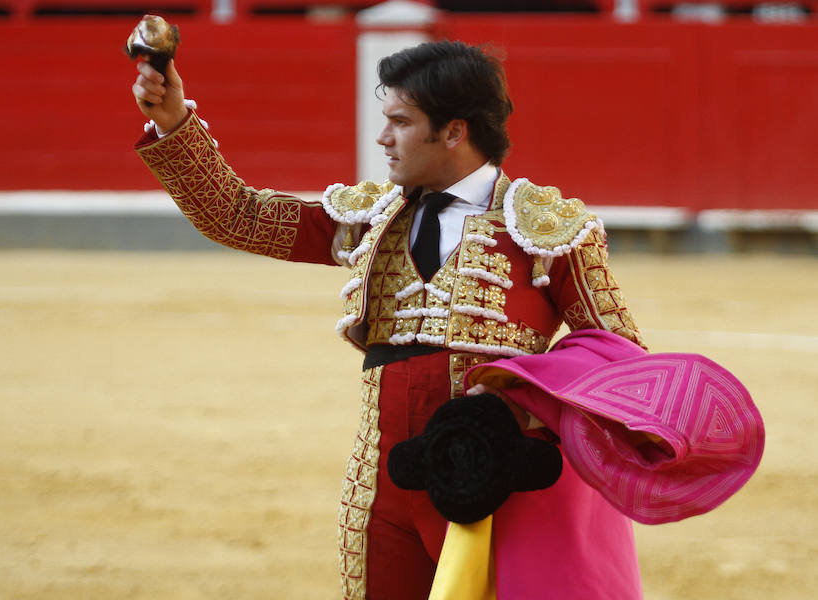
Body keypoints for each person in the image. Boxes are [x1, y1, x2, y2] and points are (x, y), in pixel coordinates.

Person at [131, 40, 646, 600]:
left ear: (453, 130)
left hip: (497, 488)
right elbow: (238, 217)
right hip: (379, 489)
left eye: (400, 122)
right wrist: (173, 123)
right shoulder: (370, 218)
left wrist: (521, 419)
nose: (383, 138)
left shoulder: (547, 228)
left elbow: (620, 358)